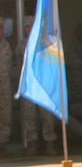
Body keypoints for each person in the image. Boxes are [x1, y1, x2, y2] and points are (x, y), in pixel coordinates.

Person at [16, 17, 59, 156]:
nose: (29, 29)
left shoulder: (45, 43)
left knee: (46, 115)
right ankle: (32, 144)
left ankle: (50, 143)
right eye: (27, 27)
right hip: (29, 86)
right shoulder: (21, 45)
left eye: (31, 26)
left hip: (43, 86)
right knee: (29, 116)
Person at [0, 19, 12, 158]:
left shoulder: (6, 46)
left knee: (5, 116)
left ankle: (3, 145)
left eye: (1, 28)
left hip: (4, 86)